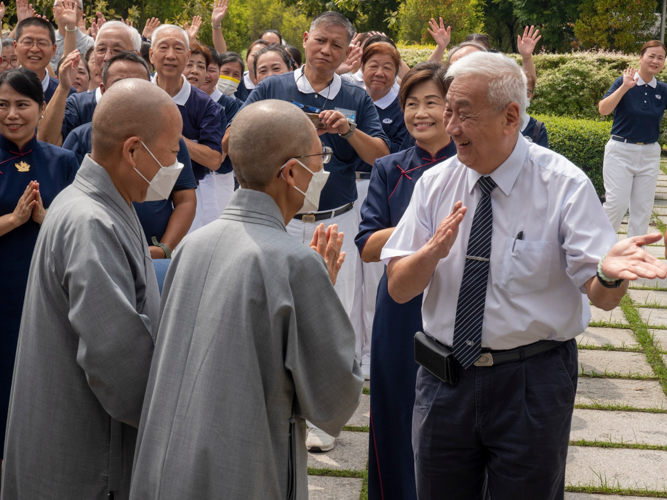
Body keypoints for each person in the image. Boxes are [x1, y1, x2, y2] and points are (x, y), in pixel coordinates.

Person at [382, 51, 667, 499]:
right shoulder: (436, 184)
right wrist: (430, 253)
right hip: (444, 380)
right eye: (448, 110)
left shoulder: (564, 185)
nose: (450, 126)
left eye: (463, 114)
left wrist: (610, 276)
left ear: (510, 116)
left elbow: (604, 296)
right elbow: (399, 288)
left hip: (531, 384)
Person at [130, 99, 363, 500]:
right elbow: (335, 399)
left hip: (170, 460)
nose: (322, 169)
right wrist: (323, 296)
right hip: (245, 470)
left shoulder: (193, 244)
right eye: (319, 157)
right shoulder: (296, 264)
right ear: (291, 172)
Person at [1, 78, 183, 500]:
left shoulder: (93, 201)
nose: (176, 165)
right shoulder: (92, 221)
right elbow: (118, 362)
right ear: (133, 151)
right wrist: (177, 418)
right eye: (173, 152)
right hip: (86, 457)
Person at [234, 11, 389, 452]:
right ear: (305, 39)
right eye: (320, 40)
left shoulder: (356, 96)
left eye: (337, 45)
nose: (326, 50)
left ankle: (325, 420)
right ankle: (269, 406)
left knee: (332, 315)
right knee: (273, 311)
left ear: (347, 52)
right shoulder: (273, 88)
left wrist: (349, 128)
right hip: (277, 219)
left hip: (335, 219)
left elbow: (380, 155)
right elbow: (235, 138)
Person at [355, 62, 455, 500]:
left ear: (454, 109)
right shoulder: (390, 168)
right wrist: (426, 229)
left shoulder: (472, 167)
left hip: (456, 302)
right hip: (399, 307)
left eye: (432, 102)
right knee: (396, 411)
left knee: (455, 416)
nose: (420, 113)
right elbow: (367, 244)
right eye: (411, 104)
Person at [0, 68, 79, 466]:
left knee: (39, 379)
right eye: (2, 105)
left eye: (22, 104)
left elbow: (81, 227)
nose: (12, 114)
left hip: (45, 291)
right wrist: (12, 221)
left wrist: (45, 219)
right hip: (3, 291)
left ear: (41, 108)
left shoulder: (63, 162)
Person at [62, 51, 197, 259]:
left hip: (154, 256)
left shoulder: (170, 138)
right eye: (120, 84)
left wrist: (164, 248)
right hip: (96, 252)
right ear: (104, 90)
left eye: (139, 85)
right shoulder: (80, 138)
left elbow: (185, 200)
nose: (130, 91)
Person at [351, 41, 408, 379]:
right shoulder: (352, 99)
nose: (380, 72)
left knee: (375, 276)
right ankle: (351, 348)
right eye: (373, 64)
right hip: (347, 189)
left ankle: (374, 349)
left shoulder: (402, 108)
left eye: (388, 66)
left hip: (380, 191)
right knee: (347, 277)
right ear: (361, 66)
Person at [151, 24, 223, 231]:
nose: (171, 55)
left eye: (178, 48)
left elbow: (214, 159)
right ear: (151, 53)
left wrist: (173, 137)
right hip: (140, 189)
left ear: (188, 55)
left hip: (188, 193)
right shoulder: (137, 92)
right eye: (163, 47)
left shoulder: (204, 104)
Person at [599, 40, 667, 237]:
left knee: (642, 210)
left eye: (660, 58)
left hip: (649, 154)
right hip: (621, 150)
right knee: (616, 205)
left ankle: (635, 256)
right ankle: (600, 253)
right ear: (640, 57)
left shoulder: (662, 90)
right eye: (651, 56)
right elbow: (603, 109)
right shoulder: (623, 81)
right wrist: (625, 88)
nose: (655, 61)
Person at [37, 20, 142, 146]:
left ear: (136, 56)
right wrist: (64, 87)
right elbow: (46, 142)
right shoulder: (77, 105)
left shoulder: (152, 102)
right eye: (101, 49)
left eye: (117, 50)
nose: (107, 57)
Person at [203, 49, 244, 212]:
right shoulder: (185, 101)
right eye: (226, 72)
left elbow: (220, 152)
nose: (206, 74)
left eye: (236, 75)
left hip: (220, 178)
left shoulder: (234, 106)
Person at [14, 17, 75, 104]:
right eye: (28, 42)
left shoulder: (67, 94)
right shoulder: (3, 87)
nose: (34, 49)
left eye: (42, 43)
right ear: (15, 47)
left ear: (53, 50)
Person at [51, 0, 94, 72]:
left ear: (81, 14)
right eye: (63, 4)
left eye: (73, 6)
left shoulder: (91, 44)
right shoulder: (45, 41)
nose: (67, 9)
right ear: (54, 11)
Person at [521, 71, 549, 147]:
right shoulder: (497, 124)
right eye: (518, 90)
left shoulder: (538, 128)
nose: (521, 95)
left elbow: (542, 157)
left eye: (527, 91)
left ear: (531, 97)